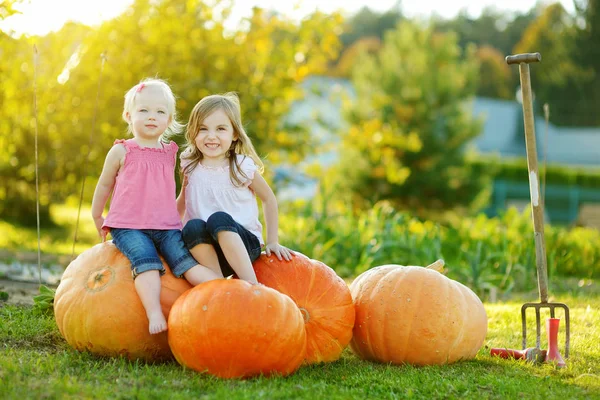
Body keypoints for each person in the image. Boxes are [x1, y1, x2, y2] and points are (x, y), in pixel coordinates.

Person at [91, 78, 221, 335]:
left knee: (185, 262)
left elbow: (164, 194)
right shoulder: (121, 151)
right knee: (146, 261)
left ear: (170, 118)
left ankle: (224, 291)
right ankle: (154, 314)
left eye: (160, 112)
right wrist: (97, 213)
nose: (152, 117)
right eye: (144, 111)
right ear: (129, 115)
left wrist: (178, 213)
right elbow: (104, 184)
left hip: (165, 226)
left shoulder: (170, 152)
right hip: (128, 226)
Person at [178, 92, 293, 284]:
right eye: (203, 129)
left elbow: (268, 198)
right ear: (192, 132)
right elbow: (182, 202)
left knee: (218, 219)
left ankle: (252, 288)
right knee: (192, 227)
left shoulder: (240, 166)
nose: (211, 136)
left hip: (244, 247)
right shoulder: (190, 164)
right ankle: (217, 285)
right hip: (210, 253)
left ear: (235, 135)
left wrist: (272, 240)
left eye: (221, 129)